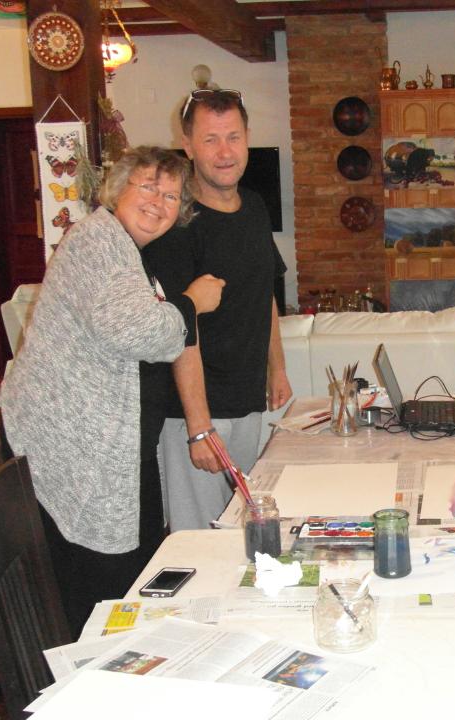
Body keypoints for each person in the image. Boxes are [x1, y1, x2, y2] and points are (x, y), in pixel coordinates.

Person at [0, 146, 225, 635]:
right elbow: (139, 333)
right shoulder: (98, 242)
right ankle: (96, 669)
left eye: (171, 196)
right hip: (78, 448)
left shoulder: (121, 249)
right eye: (148, 187)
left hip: (105, 447)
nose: (159, 202)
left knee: (127, 576)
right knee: (100, 587)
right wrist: (192, 303)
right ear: (118, 189)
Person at [144, 88, 291, 532]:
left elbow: (263, 292)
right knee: (197, 537)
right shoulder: (177, 225)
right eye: (210, 139)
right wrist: (198, 427)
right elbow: (177, 329)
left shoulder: (255, 207)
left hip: (246, 402)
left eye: (233, 137)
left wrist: (277, 368)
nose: (224, 152)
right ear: (187, 145)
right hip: (194, 414)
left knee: (238, 529)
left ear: (247, 138)